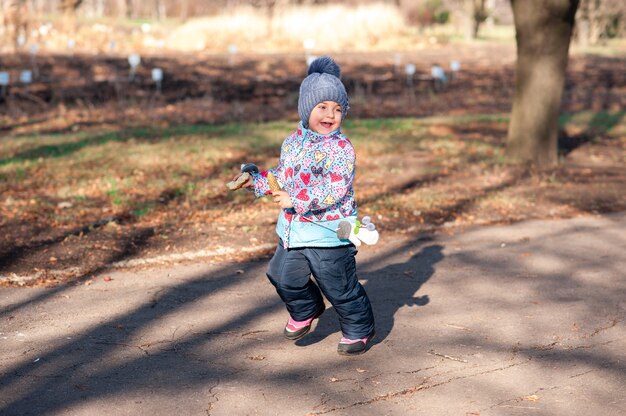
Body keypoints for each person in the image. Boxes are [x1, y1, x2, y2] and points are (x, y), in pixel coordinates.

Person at [231, 56, 375, 355]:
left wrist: (296, 200)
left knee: (339, 287)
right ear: (306, 108)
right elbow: (282, 175)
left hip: (328, 233)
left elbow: (335, 189)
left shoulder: (341, 148)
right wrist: (257, 182)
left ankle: (359, 328)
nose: (330, 114)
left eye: (337, 109)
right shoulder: (293, 142)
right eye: (322, 107)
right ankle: (307, 309)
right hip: (293, 231)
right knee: (281, 275)